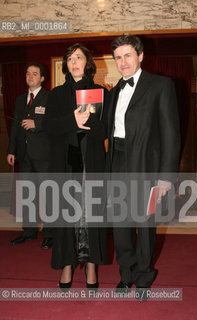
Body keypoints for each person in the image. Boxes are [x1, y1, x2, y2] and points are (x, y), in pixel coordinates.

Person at [107, 35, 180, 300]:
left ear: (140, 56)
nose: (123, 62)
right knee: (121, 226)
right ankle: (126, 276)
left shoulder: (161, 85)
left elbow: (172, 135)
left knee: (145, 226)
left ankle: (144, 279)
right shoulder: (114, 91)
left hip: (146, 168)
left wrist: (166, 178)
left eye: (127, 55)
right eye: (118, 57)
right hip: (117, 164)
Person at [44, 43, 108, 290]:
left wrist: (89, 120)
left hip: (92, 162)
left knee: (92, 215)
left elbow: (105, 131)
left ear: (88, 62)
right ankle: (67, 265)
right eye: (69, 58)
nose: (74, 62)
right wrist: (73, 119)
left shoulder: (102, 92)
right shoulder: (57, 94)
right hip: (65, 163)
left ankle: (91, 265)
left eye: (78, 57)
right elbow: (49, 127)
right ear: (66, 65)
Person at [7, 62, 53, 250]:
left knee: (47, 195)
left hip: (44, 155)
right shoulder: (19, 100)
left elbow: (54, 124)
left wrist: (37, 124)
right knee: (27, 194)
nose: (30, 76)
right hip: (24, 155)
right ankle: (28, 231)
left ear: (42, 78)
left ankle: (50, 234)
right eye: (28, 74)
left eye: (35, 74)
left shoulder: (50, 98)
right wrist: (11, 150)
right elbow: (15, 127)